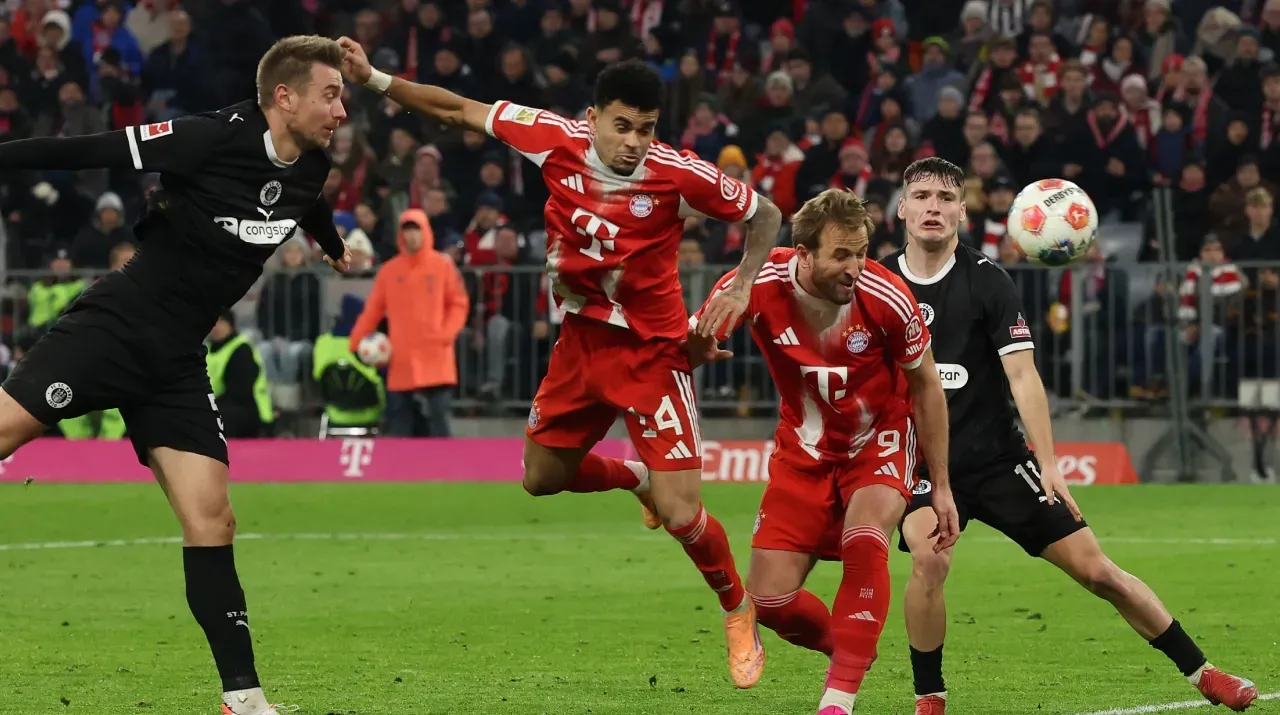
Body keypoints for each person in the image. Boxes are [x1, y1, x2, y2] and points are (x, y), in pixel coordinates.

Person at [339, 39, 785, 687]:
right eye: (622, 125)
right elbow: (458, 109)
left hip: (653, 354)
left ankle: (736, 607)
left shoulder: (679, 173)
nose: (633, 141)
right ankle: (635, 479)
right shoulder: (553, 138)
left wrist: (743, 284)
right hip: (580, 343)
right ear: (594, 116)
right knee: (540, 477)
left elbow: (766, 214)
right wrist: (375, 78)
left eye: (646, 129)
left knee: (684, 512)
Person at [0, 36, 353, 715]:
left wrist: (331, 244)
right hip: (117, 325)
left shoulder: (313, 166)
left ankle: (243, 699)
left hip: (177, 360)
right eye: (330, 94)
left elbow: (303, 203)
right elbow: (89, 150)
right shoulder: (205, 139)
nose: (341, 109)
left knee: (213, 519)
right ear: (285, 97)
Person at [880, 158, 1257, 715]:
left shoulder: (988, 280)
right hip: (919, 465)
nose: (932, 206)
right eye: (921, 195)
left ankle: (1204, 673)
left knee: (1097, 571)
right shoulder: (878, 282)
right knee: (929, 562)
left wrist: (1048, 462)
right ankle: (929, 700)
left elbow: (1023, 375)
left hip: (998, 460)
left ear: (963, 210)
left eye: (944, 197)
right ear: (902, 208)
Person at [687, 188, 958, 715]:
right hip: (804, 448)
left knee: (865, 538)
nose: (855, 267)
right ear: (803, 253)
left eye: (860, 252)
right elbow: (689, 345)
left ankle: (837, 702)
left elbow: (927, 386)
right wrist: (696, 346)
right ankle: (851, 649)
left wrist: (941, 485)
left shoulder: (888, 296)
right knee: (768, 601)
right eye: (840, 255)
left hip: (878, 437)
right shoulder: (757, 284)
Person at [205, 311, 274, 439]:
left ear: (230, 324)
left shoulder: (241, 349)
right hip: (218, 405)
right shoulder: (206, 350)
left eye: (221, 322)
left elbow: (239, 391)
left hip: (250, 410)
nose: (216, 327)